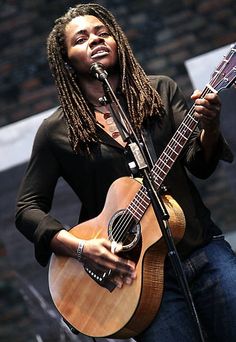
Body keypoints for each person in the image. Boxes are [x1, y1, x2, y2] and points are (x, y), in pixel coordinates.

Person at [15, 3, 236, 342]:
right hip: (133, 279)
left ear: (117, 41)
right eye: (82, 39)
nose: (95, 40)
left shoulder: (160, 92)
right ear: (67, 59)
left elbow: (200, 165)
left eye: (103, 33)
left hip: (201, 249)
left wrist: (210, 127)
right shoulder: (57, 130)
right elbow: (27, 209)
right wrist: (80, 248)